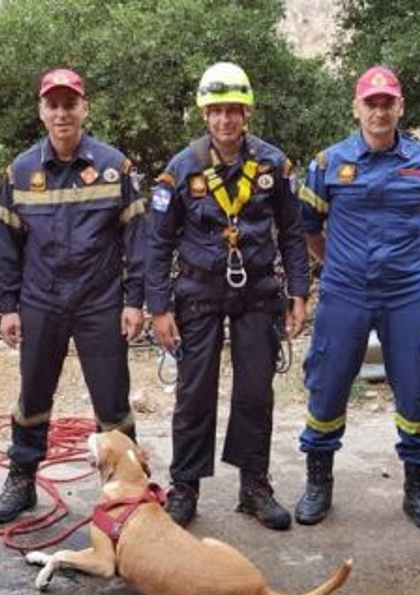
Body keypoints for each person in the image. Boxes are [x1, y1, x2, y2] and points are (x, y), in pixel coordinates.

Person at [295, 65, 420, 534]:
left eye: (388, 102)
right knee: (326, 387)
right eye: (371, 102)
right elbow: (308, 226)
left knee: (414, 390)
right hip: (344, 293)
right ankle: (318, 486)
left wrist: (406, 263)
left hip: (404, 296)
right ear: (356, 108)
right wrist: (339, 266)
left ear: (400, 108)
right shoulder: (328, 163)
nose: (379, 110)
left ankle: (418, 493)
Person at [146, 62, 310, 530]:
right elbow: (157, 242)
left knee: (256, 390)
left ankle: (254, 486)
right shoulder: (182, 169)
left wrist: (299, 291)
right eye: (216, 111)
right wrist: (159, 307)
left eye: (233, 111)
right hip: (198, 290)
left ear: (247, 113)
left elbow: (293, 232)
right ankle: (185, 486)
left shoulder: (273, 166)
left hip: (257, 291)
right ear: (204, 115)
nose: (225, 121)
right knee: (194, 392)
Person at [0, 68, 147, 523]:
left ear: (84, 109)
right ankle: (21, 479)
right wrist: (8, 307)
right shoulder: (20, 172)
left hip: (101, 302)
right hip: (40, 301)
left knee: (113, 403)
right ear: (42, 111)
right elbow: (5, 247)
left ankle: (127, 492)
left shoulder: (115, 166)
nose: (62, 113)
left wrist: (134, 300)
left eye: (69, 104)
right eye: (53, 105)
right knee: (34, 394)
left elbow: (138, 239)